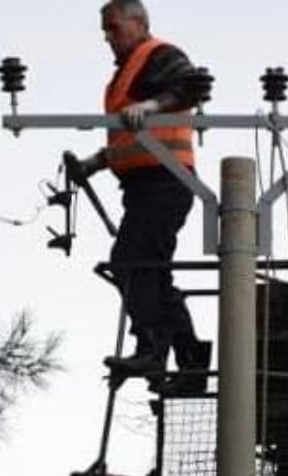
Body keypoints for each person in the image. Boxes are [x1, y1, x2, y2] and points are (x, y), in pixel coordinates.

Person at [74, 0, 210, 395]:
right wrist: (94, 163)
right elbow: (130, 138)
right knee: (152, 272)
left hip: (164, 182)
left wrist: (152, 105)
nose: (108, 37)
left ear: (139, 23)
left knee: (130, 263)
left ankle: (152, 347)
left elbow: (189, 88)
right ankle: (191, 362)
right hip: (145, 186)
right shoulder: (125, 77)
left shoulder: (159, 55)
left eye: (113, 27)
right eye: (106, 29)